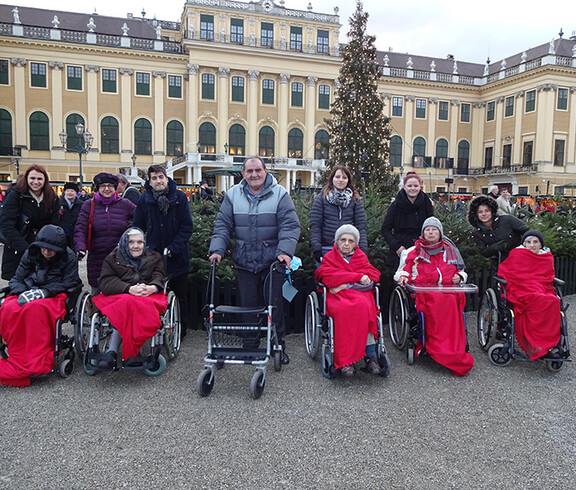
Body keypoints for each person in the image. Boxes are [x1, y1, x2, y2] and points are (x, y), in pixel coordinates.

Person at [208, 156, 300, 363]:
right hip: (244, 261)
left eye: (258, 170)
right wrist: (217, 250)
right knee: (248, 306)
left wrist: (285, 251)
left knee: (274, 306)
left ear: (266, 171)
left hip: (272, 263)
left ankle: (278, 345)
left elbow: (290, 226)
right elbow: (223, 226)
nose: (254, 174)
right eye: (249, 171)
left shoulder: (280, 194)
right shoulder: (233, 195)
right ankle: (250, 344)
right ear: (243, 174)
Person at [0, 224, 81, 387]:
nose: (46, 251)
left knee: (34, 309)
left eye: (50, 249)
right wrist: (23, 292)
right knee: (9, 307)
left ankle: (33, 358)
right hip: (28, 290)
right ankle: (17, 352)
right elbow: (17, 278)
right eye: (43, 248)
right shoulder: (32, 252)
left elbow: (69, 282)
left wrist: (44, 292)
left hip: (55, 294)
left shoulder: (68, 257)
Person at [395, 217, 474, 377]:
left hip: (448, 291)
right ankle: (440, 349)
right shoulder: (413, 251)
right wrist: (403, 277)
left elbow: (461, 271)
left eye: (434, 230)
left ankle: (453, 349)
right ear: (423, 233)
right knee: (437, 303)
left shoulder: (450, 251)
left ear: (440, 233)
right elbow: (404, 270)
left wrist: (460, 277)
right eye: (427, 230)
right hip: (425, 292)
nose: (430, 232)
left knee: (452, 301)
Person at [92, 227, 167, 368]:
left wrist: (153, 287)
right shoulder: (113, 258)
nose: (136, 246)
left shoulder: (154, 257)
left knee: (135, 305)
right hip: (121, 295)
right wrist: (128, 288)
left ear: (144, 244)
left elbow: (159, 275)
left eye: (140, 242)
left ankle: (121, 351)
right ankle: (116, 352)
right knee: (127, 303)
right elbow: (105, 281)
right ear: (124, 243)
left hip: (147, 294)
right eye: (131, 242)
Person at [133, 165, 193, 337]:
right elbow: (138, 226)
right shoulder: (144, 200)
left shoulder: (179, 197)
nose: (158, 181)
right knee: (155, 292)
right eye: (154, 178)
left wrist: (174, 248)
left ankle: (180, 329)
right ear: (150, 182)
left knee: (180, 294)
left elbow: (186, 227)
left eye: (161, 177)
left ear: (166, 178)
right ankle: (155, 326)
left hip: (177, 255)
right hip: (153, 256)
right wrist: (141, 246)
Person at [315, 224, 381, 376]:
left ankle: (371, 356)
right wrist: (356, 277)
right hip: (336, 296)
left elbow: (373, 273)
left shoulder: (360, 257)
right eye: (343, 239)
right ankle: (346, 360)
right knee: (344, 310)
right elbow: (326, 276)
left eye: (351, 241)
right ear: (336, 241)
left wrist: (343, 284)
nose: (346, 243)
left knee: (366, 307)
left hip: (359, 295)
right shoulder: (329, 257)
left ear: (356, 244)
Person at [497, 230, 561, 360]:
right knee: (539, 299)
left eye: (535, 242)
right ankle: (536, 345)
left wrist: (539, 285)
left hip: (541, 287)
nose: (532, 245)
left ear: (541, 244)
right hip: (520, 288)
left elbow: (548, 276)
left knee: (553, 301)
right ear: (524, 244)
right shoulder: (517, 254)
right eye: (528, 242)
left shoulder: (546, 257)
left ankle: (545, 345)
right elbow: (506, 272)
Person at [74, 173, 135, 294]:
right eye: (103, 186)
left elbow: (140, 219)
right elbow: (81, 228)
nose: (107, 189)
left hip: (120, 258)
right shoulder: (89, 205)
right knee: (97, 293)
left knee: (120, 290)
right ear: (98, 188)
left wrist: (130, 233)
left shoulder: (125, 204)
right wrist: (80, 247)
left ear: (115, 187)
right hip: (97, 257)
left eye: (110, 186)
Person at [381, 171, 434, 312]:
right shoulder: (396, 205)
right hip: (400, 248)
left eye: (415, 186)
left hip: (421, 247)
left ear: (420, 187)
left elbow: (432, 225)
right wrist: (397, 246)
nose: (413, 188)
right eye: (410, 185)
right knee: (400, 281)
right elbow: (385, 229)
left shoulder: (426, 203)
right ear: (404, 187)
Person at [0, 165, 59, 280]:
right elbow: (6, 224)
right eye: (32, 178)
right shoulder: (16, 195)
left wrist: (47, 246)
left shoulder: (51, 197)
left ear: (45, 180)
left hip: (42, 248)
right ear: (27, 179)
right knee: (18, 287)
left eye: (39, 179)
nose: (35, 182)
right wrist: (25, 249)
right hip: (18, 247)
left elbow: (54, 224)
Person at [310, 165, 368, 263]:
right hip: (326, 248)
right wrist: (316, 247)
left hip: (349, 250)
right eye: (337, 177)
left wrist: (363, 249)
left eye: (344, 178)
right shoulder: (321, 199)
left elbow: (360, 226)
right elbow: (315, 225)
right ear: (332, 178)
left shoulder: (355, 200)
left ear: (348, 180)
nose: (340, 180)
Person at [468, 195, 529, 261]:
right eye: (480, 212)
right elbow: (484, 252)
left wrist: (525, 246)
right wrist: (497, 247)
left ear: (492, 211)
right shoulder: (477, 232)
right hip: (500, 264)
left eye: (487, 211)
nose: (484, 214)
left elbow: (527, 231)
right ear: (476, 214)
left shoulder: (507, 220)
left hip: (521, 259)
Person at [58, 182, 83, 249]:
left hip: (75, 235)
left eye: (72, 191)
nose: (70, 193)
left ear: (76, 193)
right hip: (60, 234)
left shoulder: (81, 204)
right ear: (64, 192)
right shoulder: (58, 203)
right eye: (68, 190)